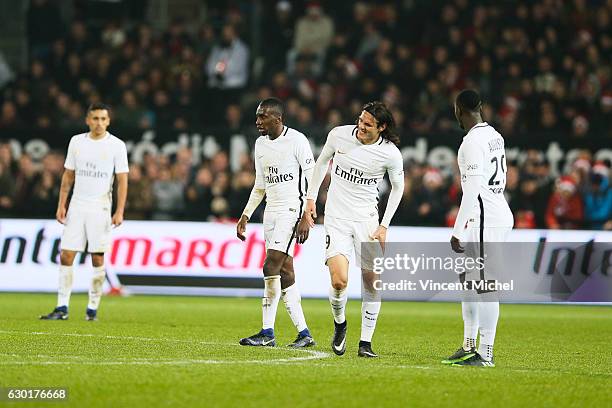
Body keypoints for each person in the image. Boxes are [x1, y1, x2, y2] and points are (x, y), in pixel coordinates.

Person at [297, 101, 404, 358]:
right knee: (339, 281)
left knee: (372, 281)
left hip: (367, 220)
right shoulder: (339, 135)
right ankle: (340, 324)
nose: (361, 127)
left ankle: (365, 343)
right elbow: (321, 163)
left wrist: (384, 225)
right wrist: (310, 199)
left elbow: (398, 188)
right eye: (360, 120)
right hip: (336, 218)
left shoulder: (390, 153)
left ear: (382, 127)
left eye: (368, 124)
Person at [237, 97, 315, 348]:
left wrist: (307, 215)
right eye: (258, 116)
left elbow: (313, 179)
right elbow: (260, 184)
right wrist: (246, 215)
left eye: (263, 116)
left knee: (270, 266)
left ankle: (267, 332)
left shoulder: (298, 141)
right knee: (285, 271)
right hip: (270, 212)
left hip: (292, 211)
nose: (258, 121)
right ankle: (304, 334)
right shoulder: (260, 144)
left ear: (277, 119)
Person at [40, 103, 129, 321]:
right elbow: (68, 176)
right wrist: (62, 204)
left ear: (108, 121)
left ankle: (92, 309)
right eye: (95, 118)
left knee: (97, 257)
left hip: (100, 206)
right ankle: (62, 307)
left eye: (103, 119)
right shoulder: (77, 142)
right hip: (78, 204)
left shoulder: (116, 145)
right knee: (66, 254)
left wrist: (119, 210)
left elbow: (122, 181)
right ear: (87, 120)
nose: (99, 123)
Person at [444, 89, 514, 367]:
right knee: (469, 283)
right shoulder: (494, 135)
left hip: (485, 217)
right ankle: (469, 343)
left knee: (485, 286)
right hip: (493, 211)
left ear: (459, 110)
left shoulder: (471, 143)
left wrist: (458, 229)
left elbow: (472, 189)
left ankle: (485, 353)